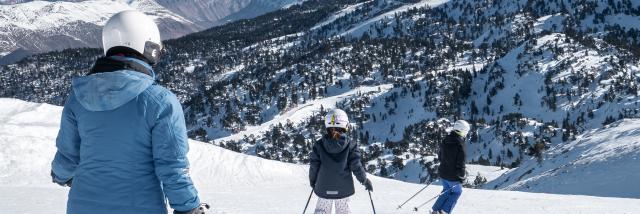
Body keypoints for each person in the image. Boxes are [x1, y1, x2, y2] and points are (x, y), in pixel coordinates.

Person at [50, 10, 209, 214]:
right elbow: (172, 168)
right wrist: (189, 208)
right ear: (148, 46)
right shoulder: (160, 101)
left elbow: (67, 157)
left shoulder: (78, 97)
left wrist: (62, 176)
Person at [308, 109, 373, 214]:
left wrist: (313, 180)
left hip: (323, 186)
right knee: (343, 211)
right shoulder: (350, 145)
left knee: (322, 211)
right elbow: (356, 165)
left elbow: (314, 165)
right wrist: (364, 180)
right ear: (345, 124)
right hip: (343, 188)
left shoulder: (319, 145)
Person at [431, 120, 470, 214]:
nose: (466, 134)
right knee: (457, 192)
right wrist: (461, 177)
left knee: (446, 191)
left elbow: (440, 157)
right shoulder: (460, 144)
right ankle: (445, 211)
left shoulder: (446, 140)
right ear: (461, 131)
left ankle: (435, 210)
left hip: (443, 172)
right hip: (453, 176)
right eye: (466, 131)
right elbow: (461, 164)